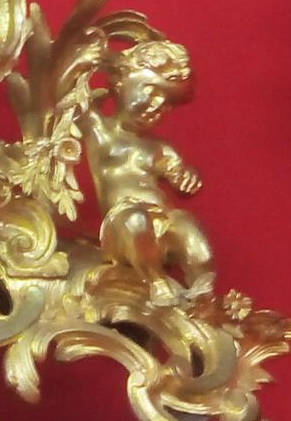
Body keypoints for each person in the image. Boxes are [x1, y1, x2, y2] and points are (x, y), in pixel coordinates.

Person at [83, 39, 213, 307]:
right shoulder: (100, 131)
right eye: (151, 92)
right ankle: (156, 282)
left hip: (163, 219)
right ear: (121, 83)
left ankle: (202, 290)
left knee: (190, 229)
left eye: (166, 104)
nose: (157, 106)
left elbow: (179, 176)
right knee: (136, 221)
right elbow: (70, 98)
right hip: (122, 223)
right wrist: (97, 59)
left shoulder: (160, 149)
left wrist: (185, 178)